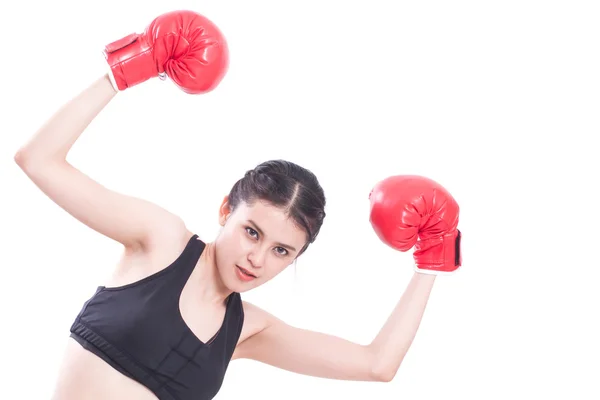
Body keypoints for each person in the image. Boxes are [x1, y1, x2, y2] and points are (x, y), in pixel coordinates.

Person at [14, 9, 462, 400]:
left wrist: (433, 259)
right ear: (226, 210)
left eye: (282, 251)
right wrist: (125, 70)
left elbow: (376, 365)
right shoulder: (161, 240)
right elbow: (37, 160)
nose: (258, 259)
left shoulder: (248, 330)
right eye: (253, 231)